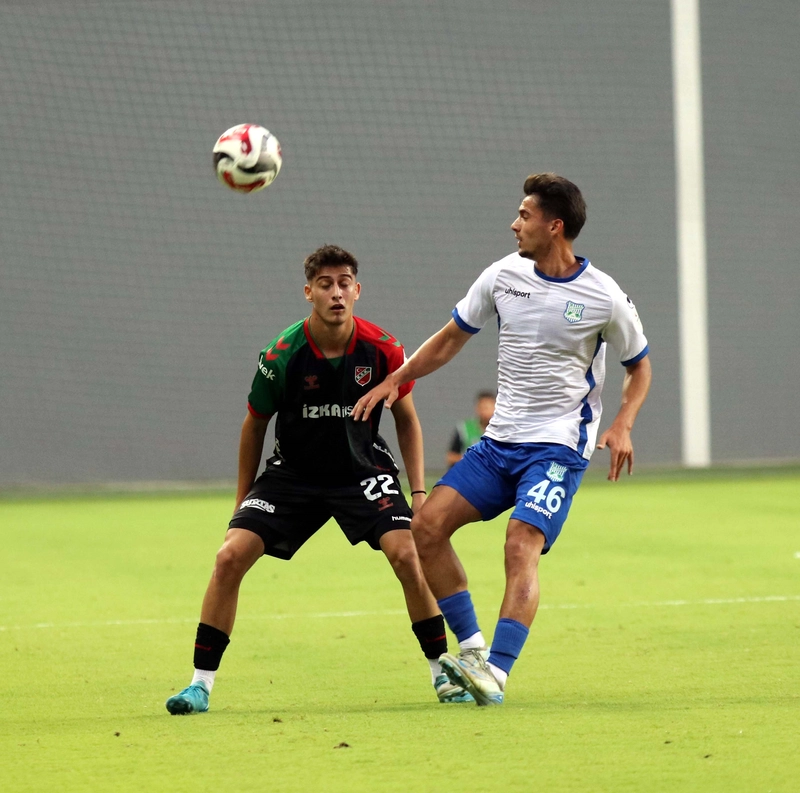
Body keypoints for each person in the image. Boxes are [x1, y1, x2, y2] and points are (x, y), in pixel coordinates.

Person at [353, 174, 652, 705]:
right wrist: (397, 378)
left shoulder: (604, 296)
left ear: (554, 226)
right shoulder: (502, 275)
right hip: (499, 444)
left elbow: (640, 366)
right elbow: (450, 339)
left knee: (520, 543)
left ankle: (498, 672)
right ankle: (472, 650)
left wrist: (623, 421)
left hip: (559, 447)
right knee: (426, 527)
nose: (514, 224)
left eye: (524, 215)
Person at [166, 244, 472, 714]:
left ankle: (440, 674)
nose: (336, 293)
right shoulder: (281, 355)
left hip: (362, 470)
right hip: (294, 476)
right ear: (308, 292)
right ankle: (199, 685)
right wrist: (242, 500)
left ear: (357, 290)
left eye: (344, 283)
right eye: (325, 285)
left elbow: (407, 420)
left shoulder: (384, 349)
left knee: (407, 554)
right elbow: (255, 425)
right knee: (229, 557)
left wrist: (417, 491)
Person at [446, 390, 496, 468]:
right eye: (483, 408)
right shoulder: (464, 429)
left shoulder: (503, 430)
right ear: (477, 408)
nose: (485, 412)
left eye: (488, 408)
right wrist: (470, 459)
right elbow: (451, 457)